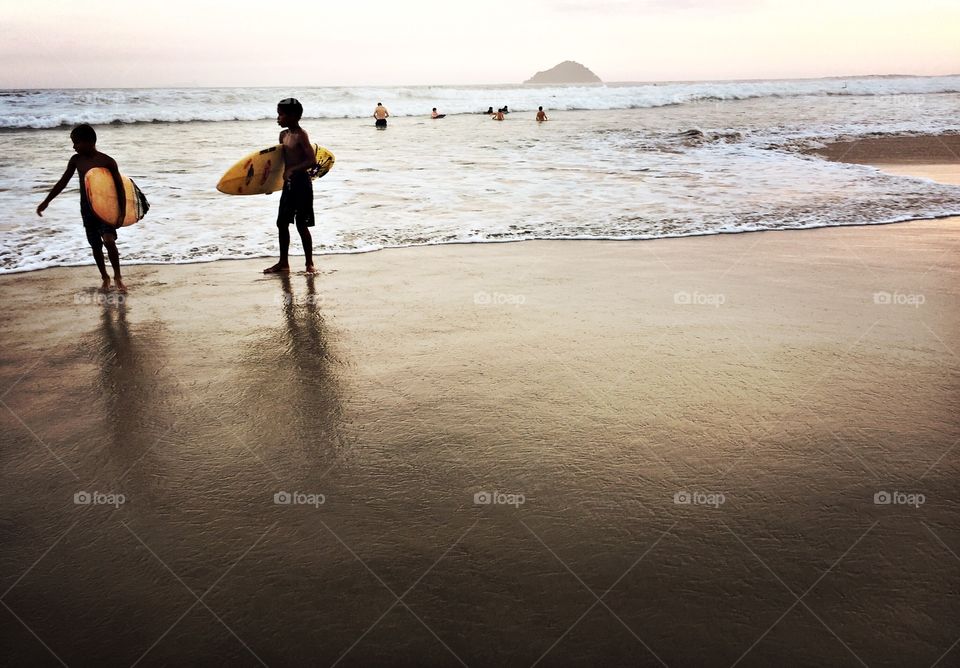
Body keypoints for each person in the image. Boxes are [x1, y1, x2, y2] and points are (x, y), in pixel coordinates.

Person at [36, 124, 128, 293]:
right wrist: (47, 201)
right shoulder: (76, 161)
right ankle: (105, 277)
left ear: (89, 142)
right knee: (95, 245)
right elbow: (63, 182)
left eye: (76, 142)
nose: (74, 146)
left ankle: (118, 276)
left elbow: (120, 188)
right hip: (87, 209)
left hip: (105, 208)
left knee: (109, 241)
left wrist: (122, 213)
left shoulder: (107, 161)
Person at [263, 98, 319, 274]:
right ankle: (283, 263)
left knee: (301, 224)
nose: (278, 118)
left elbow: (312, 160)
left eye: (280, 114)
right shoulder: (283, 135)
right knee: (281, 223)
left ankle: (309, 263)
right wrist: (269, 184)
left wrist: (293, 170)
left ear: (293, 116)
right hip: (287, 185)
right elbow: (280, 163)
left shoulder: (301, 135)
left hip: (302, 184)